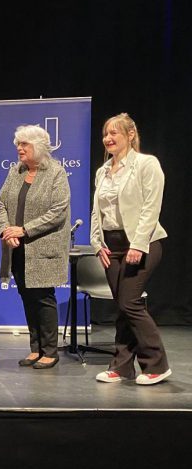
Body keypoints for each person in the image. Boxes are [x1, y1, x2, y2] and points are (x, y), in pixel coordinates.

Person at [91, 113, 170, 385]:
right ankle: (122, 366)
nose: (108, 139)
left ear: (130, 135)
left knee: (129, 302)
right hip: (110, 247)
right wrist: (97, 243)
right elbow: (96, 212)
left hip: (142, 243)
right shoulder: (103, 171)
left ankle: (157, 363)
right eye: (105, 134)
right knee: (123, 307)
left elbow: (151, 207)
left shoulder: (147, 164)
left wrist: (138, 243)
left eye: (115, 133)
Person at [0, 125, 70, 369]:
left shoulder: (56, 173)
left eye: (24, 144)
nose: (19, 148)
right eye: (18, 144)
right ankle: (35, 348)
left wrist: (25, 229)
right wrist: (7, 230)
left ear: (38, 147)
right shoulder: (16, 172)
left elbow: (58, 211)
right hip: (17, 249)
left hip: (41, 248)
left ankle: (50, 350)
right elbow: (0, 205)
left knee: (43, 299)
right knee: (27, 297)